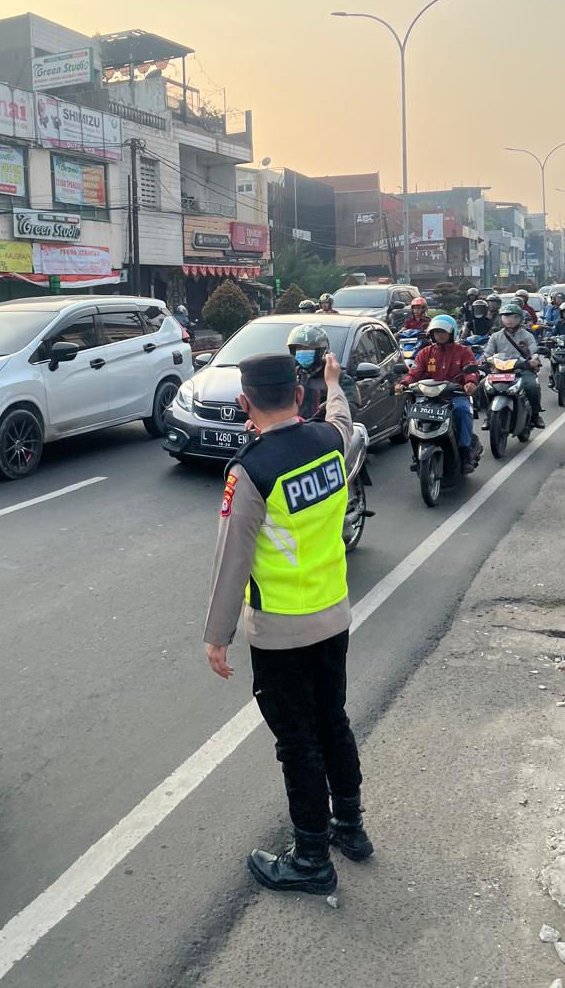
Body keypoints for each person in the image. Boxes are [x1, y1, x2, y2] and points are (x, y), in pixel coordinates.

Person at [204, 352, 371, 896]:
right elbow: (342, 415)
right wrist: (333, 382)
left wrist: (217, 637)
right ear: (298, 397)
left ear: (243, 403)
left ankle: (311, 858)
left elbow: (232, 560)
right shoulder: (330, 441)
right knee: (333, 722)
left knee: (298, 742)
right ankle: (351, 828)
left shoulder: (251, 471)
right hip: (334, 614)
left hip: (280, 631)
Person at [395, 314, 479, 466]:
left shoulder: (463, 351)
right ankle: (416, 452)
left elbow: (471, 371)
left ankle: (465, 451)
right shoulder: (425, 352)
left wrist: (470, 382)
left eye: (443, 331)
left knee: (462, 411)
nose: (440, 335)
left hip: (455, 395)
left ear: (452, 332)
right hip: (429, 396)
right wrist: (404, 384)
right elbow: (414, 373)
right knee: (414, 416)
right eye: (436, 332)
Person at [483, 302, 545, 428]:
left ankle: (535, 415)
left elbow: (534, 351)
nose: (509, 320)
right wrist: (483, 360)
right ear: (501, 319)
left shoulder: (527, 335)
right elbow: (487, 353)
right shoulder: (495, 336)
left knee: (532, 386)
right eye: (506, 317)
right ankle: (489, 416)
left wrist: (534, 360)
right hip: (499, 371)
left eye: (513, 317)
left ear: (520, 319)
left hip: (522, 370)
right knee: (482, 386)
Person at [287, 323, 331, 419]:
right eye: (299, 348)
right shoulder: (291, 375)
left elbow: (348, 405)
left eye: (307, 348)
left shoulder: (334, 376)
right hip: (296, 426)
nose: (302, 351)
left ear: (320, 350)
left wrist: (328, 408)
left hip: (323, 426)